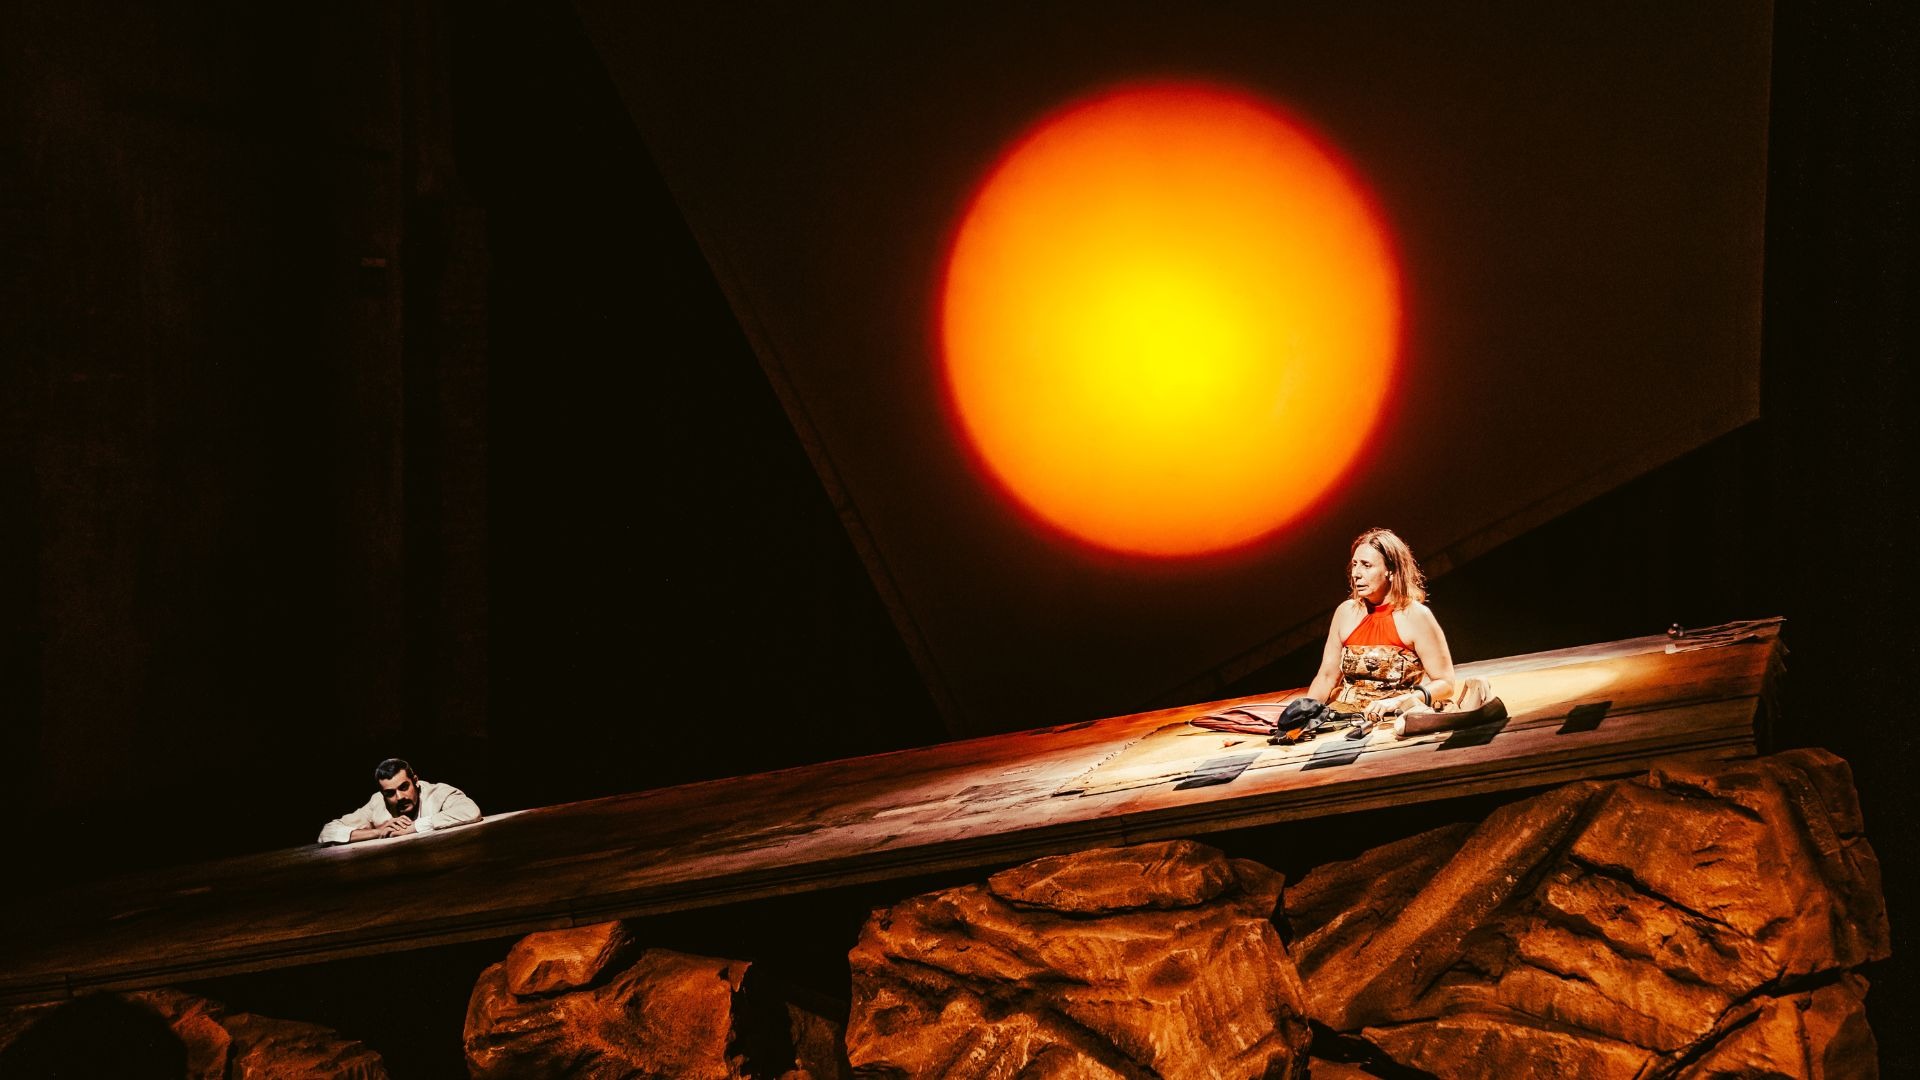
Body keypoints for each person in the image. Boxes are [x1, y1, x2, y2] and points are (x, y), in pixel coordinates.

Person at [1301, 527, 1493, 737]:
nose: (1356, 573)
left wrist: (1398, 702)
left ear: (1391, 571)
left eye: (1366, 565)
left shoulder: (1416, 616)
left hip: (1395, 721)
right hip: (1345, 720)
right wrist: (1302, 716)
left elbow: (1445, 684)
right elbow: (1327, 676)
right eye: (1354, 564)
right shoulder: (1345, 612)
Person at [317, 758, 481, 844]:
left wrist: (414, 827)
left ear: (415, 781)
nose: (400, 797)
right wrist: (377, 832)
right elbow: (328, 832)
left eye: (404, 787)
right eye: (390, 793)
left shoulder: (437, 793)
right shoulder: (377, 802)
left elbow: (470, 811)